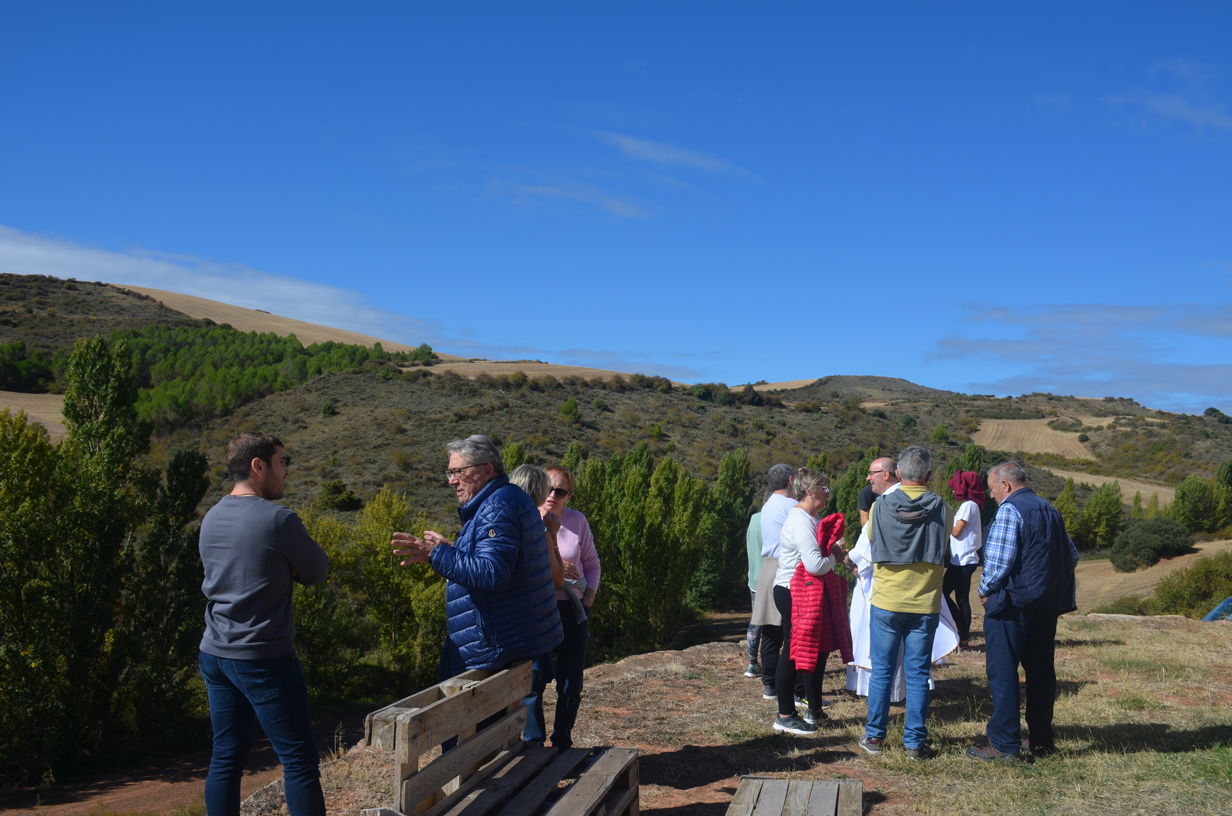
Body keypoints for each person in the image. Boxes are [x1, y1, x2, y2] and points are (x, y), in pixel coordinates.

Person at [198, 432, 330, 816]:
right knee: (299, 761)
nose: (287, 471)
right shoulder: (278, 520)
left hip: (215, 653)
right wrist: (292, 566)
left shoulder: (212, 517)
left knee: (226, 757)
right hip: (263, 656)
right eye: (282, 462)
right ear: (258, 466)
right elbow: (318, 571)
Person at [392, 435, 562, 682]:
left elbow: (492, 574)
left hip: (499, 647)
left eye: (458, 472)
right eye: (450, 472)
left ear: (487, 471)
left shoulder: (496, 508)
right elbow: (502, 559)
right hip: (514, 639)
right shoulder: (506, 498)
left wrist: (434, 553)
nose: (452, 480)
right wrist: (453, 548)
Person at [968, 460, 1078, 763]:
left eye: (992, 489)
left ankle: (1004, 745)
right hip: (1046, 603)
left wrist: (984, 591)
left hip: (1012, 604)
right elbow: (1071, 555)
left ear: (1005, 485)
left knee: (1003, 672)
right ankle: (1041, 741)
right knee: (1041, 673)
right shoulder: (1050, 510)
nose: (991, 495)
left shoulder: (1009, 510)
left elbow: (998, 561)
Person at [860, 447, 952, 760]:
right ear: (929, 475)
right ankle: (914, 743)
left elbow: (871, 540)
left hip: (887, 601)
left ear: (898, 474)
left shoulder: (879, 507)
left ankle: (874, 737)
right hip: (924, 603)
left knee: (882, 672)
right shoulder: (943, 508)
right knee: (917, 674)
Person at [846, 459, 959, 700]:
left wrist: (851, 560)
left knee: (883, 666)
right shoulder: (942, 507)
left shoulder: (882, 505)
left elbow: (868, 546)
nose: (868, 478)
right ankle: (909, 711)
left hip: (887, 591)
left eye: (872, 473)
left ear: (891, 473)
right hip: (923, 594)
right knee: (916, 669)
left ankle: (883, 711)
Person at [523, 464, 600, 752]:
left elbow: (592, 563)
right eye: (548, 488)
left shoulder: (577, 521)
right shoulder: (527, 519)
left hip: (573, 610)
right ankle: (533, 743)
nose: (553, 495)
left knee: (571, 682)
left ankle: (561, 743)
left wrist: (587, 599)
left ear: (569, 496)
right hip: (539, 609)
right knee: (534, 679)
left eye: (560, 491)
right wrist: (554, 566)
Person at [770, 469, 844, 735]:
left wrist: (833, 553)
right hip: (794, 591)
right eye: (825, 489)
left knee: (818, 648)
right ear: (810, 491)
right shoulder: (801, 520)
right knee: (794, 652)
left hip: (807, 591)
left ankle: (814, 709)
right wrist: (835, 557)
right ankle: (785, 715)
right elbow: (814, 565)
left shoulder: (812, 518)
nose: (828, 494)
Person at [751, 464, 796, 701]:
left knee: (770, 632)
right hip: (787, 569)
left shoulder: (767, 506)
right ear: (791, 480)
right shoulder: (792, 506)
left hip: (768, 569)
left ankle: (770, 684)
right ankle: (794, 686)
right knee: (793, 633)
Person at [944, 470, 985, 649]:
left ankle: (963, 636)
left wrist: (943, 521)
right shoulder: (970, 505)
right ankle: (962, 630)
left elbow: (956, 531)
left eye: (956, 487)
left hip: (964, 561)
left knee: (960, 598)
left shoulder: (968, 506)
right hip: (960, 560)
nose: (954, 490)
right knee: (947, 593)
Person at [744, 498, 766, 678]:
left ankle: (752, 662)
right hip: (769, 576)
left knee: (755, 622)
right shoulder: (773, 520)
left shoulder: (754, 518)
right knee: (772, 624)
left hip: (753, 577)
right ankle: (768, 661)